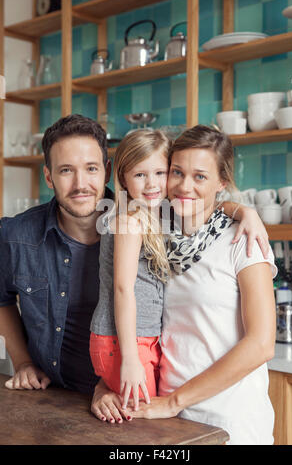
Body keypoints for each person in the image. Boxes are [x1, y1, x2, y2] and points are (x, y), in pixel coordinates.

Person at [89, 127, 276, 437]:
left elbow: (261, 345)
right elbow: (135, 317)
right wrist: (104, 387)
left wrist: (245, 212)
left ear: (222, 182)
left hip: (229, 420)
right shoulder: (161, 232)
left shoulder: (245, 239)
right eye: (177, 172)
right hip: (164, 414)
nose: (184, 186)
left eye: (200, 176)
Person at [0, 114, 112, 395]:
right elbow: (1, 299)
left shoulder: (144, 230)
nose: (80, 184)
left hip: (129, 399)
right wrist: (23, 362)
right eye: (66, 171)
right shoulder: (16, 235)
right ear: (48, 177)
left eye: (91, 169)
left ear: (106, 172)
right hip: (54, 397)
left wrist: (238, 210)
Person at [90, 129, 171, 413]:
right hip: (125, 342)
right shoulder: (129, 220)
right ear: (123, 177)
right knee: (141, 428)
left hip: (138, 339)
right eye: (140, 175)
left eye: (160, 172)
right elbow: (123, 289)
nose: (152, 184)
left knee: (141, 423)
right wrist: (130, 358)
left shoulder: (149, 215)